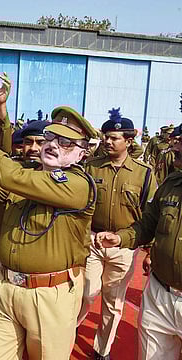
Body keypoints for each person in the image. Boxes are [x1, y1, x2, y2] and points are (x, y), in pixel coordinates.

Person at [0, 101, 98, 359]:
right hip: (5, 288)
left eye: (66, 142)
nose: (52, 144)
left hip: (50, 296)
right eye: (51, 136)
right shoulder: (25, 173)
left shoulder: (78, 185)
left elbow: (11, 177)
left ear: (82, 154)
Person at [96, 124, 182, 359]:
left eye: (181, 142)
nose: (174, 145)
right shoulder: (170, 184)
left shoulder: (144, 173)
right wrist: (121, 237)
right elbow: (147, 225)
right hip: (160, 293)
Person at [77, 108, 156, 360]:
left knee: (114, 302)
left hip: (124, 247)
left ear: (129, 141)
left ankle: (103, 349)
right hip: (93, 242)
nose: (108, 141)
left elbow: (149, 213)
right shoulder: (91, 167)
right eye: (106, 137)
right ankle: (66, 333)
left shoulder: (144, 174)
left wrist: (149, 249)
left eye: (114, 138)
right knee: (86, 293)